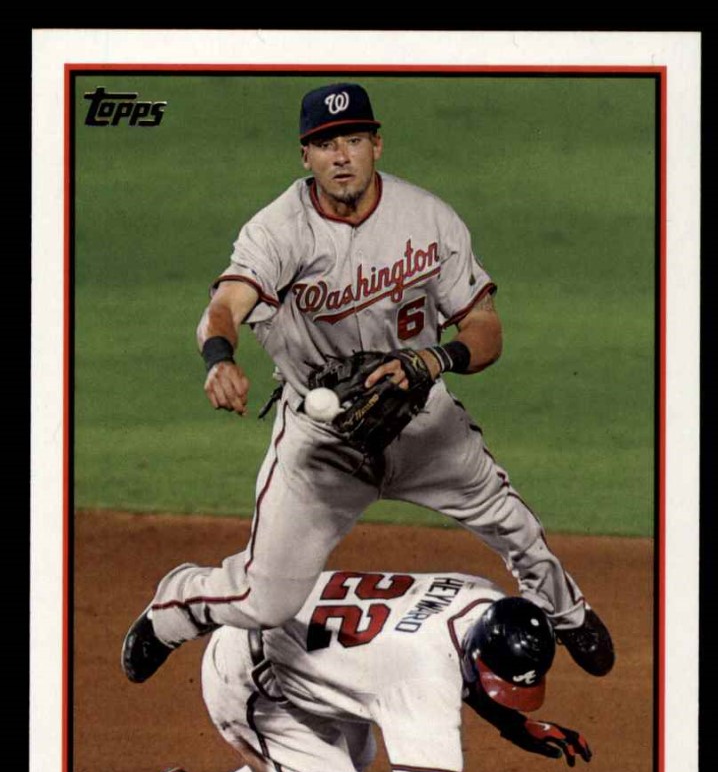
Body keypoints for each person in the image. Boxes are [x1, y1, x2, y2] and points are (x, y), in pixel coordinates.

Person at [122, 82, 614, 686]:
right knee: (265, 599)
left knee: (512, 523)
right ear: (306, 156)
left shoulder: (428, 218)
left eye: (353, 140)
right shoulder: (277, 230)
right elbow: (225, 306)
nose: (341, 156)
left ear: (376, 144)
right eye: (326, 144)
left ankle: (566, 611)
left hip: (422, 422)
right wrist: (219, 359)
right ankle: (176, 606)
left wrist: (433, 360)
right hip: (323, 443)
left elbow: (485, 329)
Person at [151, 568, 612, 772]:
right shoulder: (420, 675)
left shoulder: (485, 600)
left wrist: (516, 725)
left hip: (316, 663)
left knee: (352, 758)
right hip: (252, 683)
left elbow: (469, 667)